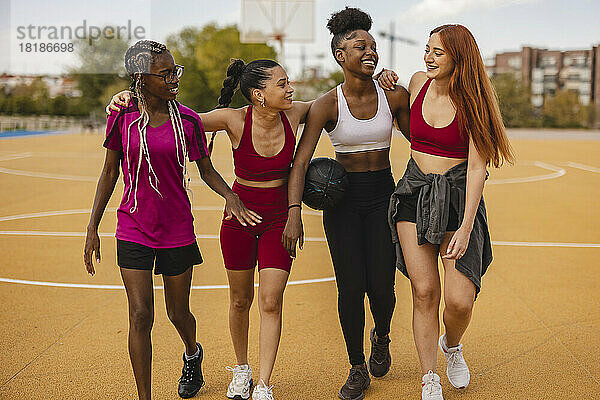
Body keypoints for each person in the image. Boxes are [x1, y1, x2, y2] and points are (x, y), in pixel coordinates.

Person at [107, 58, 312, 400]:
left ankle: (263, 384)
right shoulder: (232, 119)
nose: (290, 89)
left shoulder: (296, 113)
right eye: (282, 83)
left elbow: (339, 98)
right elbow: (177, 118)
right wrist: (128, 97)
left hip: (278, 218)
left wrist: (379, 78)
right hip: (239, 220)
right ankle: (242, 369)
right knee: (239, 299)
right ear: (259, 95)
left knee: (271, 301)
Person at [84, 40, 258, 400]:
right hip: (132, 226)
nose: (173, 77)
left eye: (174, 70)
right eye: (164, 73)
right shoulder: (122, 117)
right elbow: (109, 172)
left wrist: (231, 195)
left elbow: (206, 170)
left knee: (178, 313)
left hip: (177, 229)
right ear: (141, 78)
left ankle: (192, 352)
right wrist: (92, 227)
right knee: (139, 315)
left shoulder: (189, 121)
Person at [282, 7, 410, 400]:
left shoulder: (394, 95)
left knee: (383, 287)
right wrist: (293, 214)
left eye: (373, 46)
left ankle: (382, 335)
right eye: (360, 46)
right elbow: (301, 161)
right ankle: (356, 367)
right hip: (343, 201)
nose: (370, 51)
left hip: (383, 195)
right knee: (350, 286)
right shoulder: (327, 104)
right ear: (340, 54)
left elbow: (422, 141)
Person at [385, 25, 514, 400]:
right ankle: (430, 378)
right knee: (424, 291)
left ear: (458, 57)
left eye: (438, 52)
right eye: (427, 50)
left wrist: (466, 227)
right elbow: (391, 108)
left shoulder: (474, 103)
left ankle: (452, 345)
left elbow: (476, 170)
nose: (428, 57)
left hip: (458, 201)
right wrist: (384, 77)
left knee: (459, 300)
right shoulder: (416, 83)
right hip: (414, 194)